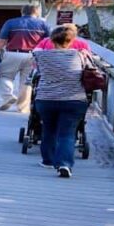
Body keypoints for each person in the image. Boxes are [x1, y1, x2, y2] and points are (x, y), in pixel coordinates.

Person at [32, 26, 90, 178]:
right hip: (74, 99)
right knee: (67, 133)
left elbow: (33, 57)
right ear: (72, 41)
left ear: (51, 40)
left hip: (46, 99)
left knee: (48, 129)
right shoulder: (80, 55)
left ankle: (48, 161)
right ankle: (64, 164)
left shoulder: (41, 56)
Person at [0, 5, 49, 112]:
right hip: (34, 56)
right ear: (36, 12)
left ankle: (8, 97)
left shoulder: (11, 22)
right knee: (27, 82)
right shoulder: (43, 24)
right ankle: (22, 107)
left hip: (13, 53)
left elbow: (1, 41)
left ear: (22, 12)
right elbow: (48, 42)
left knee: (5, 76)